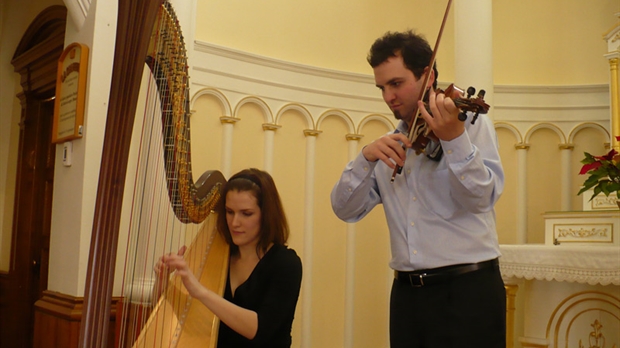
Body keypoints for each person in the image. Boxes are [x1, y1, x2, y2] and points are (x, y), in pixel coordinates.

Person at [330, 30, 506, 348]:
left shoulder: (468, 123)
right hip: (407, 297)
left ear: (428, 75)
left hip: (468, 291)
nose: (388, 97)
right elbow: (345, 209)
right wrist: (365, 158)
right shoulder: (390, 145)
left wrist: (454, 140)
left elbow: (481, 199)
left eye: (396, 84)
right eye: (382, 87)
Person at [157, 168, 303, 347]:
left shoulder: (286, 264)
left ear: (266, 215)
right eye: (229, 211)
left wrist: (200, 291)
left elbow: (258, 329)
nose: (234, 222)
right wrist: (163, 282)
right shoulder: (219, 258)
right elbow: (189, 315)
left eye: (246, 213)